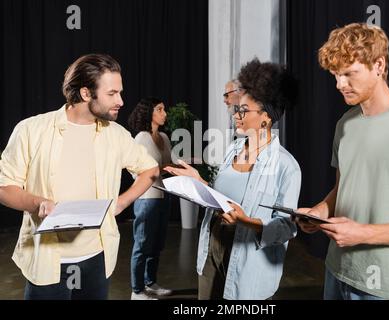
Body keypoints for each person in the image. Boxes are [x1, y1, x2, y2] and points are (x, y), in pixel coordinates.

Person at [295, 23, 389, 300]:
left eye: (349, 74)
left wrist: (362, 233)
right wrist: (320, 211)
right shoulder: (346, 123)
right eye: (335, 75)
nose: (340, 84)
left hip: (387, 286)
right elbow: (343, 189)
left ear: (378, 65)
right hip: (337, 270)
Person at [0, 54, 159, 300]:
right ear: (86, 94)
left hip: (97, 260)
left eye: (120, 92)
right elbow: (4, 186)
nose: (121, 101)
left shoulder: (116, 135)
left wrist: (121, 203)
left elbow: (150, 170)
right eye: (112, 93)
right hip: (47, 261)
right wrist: (38, 203)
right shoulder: (31, 130)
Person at [165, 58, 301, 300]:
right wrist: (199, 182)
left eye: (243, 110)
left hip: (249, 262)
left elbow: (286, 227)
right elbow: (221, 198)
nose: (236, 116)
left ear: (266, 118)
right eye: (237, 109)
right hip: (212, 248)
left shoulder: (286, 166)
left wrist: (246, 221)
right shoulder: (233, 149)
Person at [127, 97, 173, 300]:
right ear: (149, 113)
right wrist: (164, 168)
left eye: (164, 109)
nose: (165, 113)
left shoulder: (164, 137)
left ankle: (150, 282)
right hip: (146, 198)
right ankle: (137, 290)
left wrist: (181, 166)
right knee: (142, 244)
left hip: (164, 196)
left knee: (157, 244)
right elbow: (137, 171)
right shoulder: (140, 139)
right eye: (160, 109)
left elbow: (168, 164)